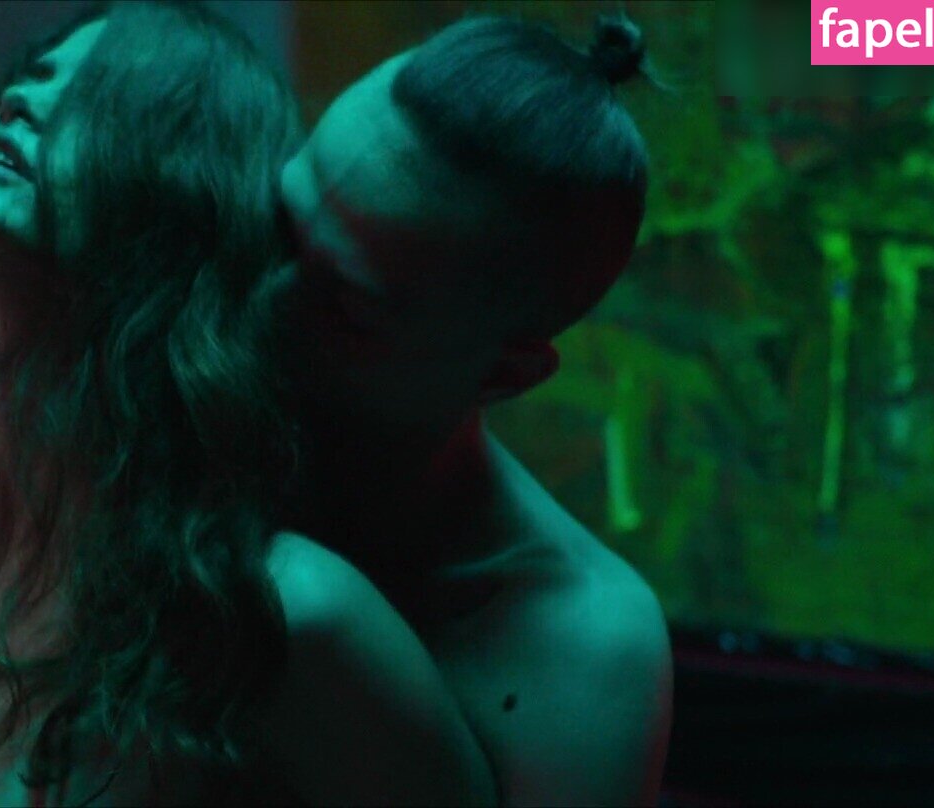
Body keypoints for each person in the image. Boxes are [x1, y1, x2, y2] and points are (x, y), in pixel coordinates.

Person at [0, 3, 493, 805]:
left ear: (186, 190)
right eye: (31, 76)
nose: (19, 101)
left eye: (94, 99)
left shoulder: (284, 609)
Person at [274, 13, 674, 806]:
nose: (262, 304)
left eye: (345, 309)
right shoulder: (172, 404)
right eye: (278, 226)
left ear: (506, 373)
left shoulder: (580, 654)